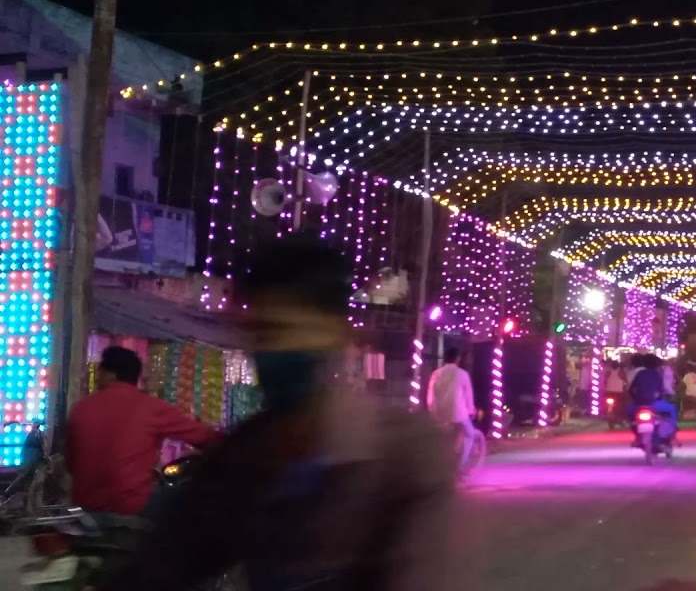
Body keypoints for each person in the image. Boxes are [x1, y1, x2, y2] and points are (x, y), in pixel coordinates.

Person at [101, 235, 469, 591]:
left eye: (289, 330)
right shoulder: (245, 455)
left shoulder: (406, 457)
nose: (276, 350)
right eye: (262, 334)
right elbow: (170, 559)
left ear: (335, 334)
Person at [66, 346, 221, 517]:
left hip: (86, 509)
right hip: (134, 507)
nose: (97, 378)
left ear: (111, 375)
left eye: (100, 371)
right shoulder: (150, 407)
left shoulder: (81, 409)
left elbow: (71, 464)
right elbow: (205, 437)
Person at [427, 346, 479, 476]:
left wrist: (433, 411)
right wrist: (471, 410)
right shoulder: (462, 374)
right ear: (457, 359)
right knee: (470, 434)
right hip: (459, 413)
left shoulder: (436, 374)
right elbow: (468, 396)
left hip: (440, 413)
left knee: (444, 439)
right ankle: (460, 466)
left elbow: (431, 395)